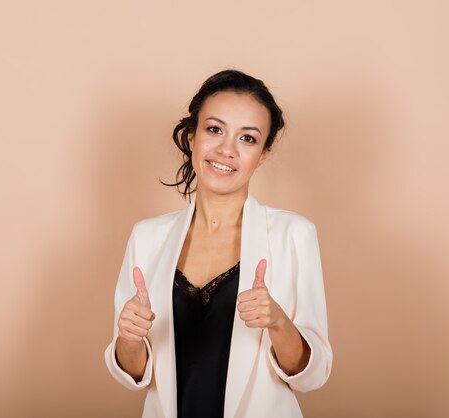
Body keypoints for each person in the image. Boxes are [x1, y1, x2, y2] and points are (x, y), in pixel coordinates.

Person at [104, 69, 333, 418]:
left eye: (248, 138)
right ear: (193, 135)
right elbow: (133, 373)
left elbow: (311, 375)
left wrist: (278, 321)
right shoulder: (147, 238)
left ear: (263, 155)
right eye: (215, 130)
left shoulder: (294, 234)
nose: (226, 150)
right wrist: (129, 338)